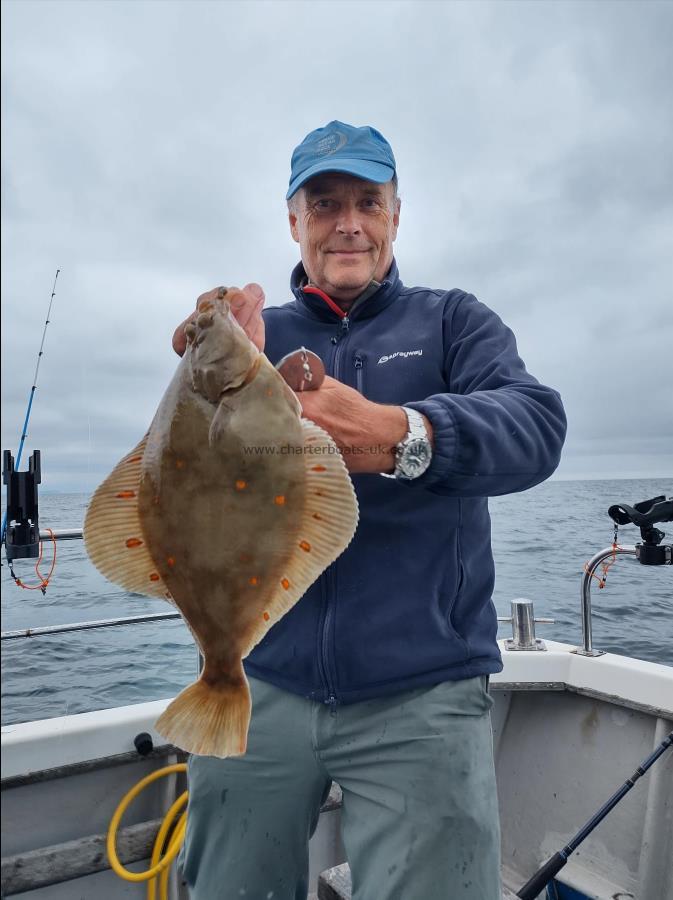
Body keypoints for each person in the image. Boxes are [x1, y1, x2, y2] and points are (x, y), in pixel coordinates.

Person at [172, 121, 567, 900]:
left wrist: (402, 433)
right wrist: (202, 370)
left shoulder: (453, 322)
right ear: (294, 222)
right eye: (324, 205)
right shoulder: (259, 343)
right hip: (260, 680)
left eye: (367, 201)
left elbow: (536, 428)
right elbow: (181, 480)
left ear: (394, 215)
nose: (347, 222)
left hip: (421, 690)